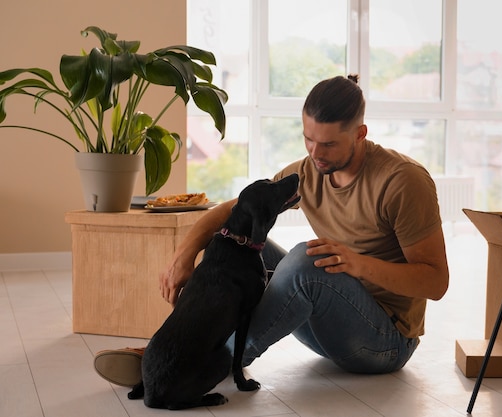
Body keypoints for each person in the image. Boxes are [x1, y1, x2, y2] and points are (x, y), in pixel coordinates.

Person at [93, 74, 449, 387]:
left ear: (360, 134)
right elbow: (233, 211)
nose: (315, 152)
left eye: (328, 144)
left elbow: (436, 283)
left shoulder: (402, 181)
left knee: (304, 261)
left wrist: (357, 264)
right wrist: (183, 256)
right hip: (328, 326)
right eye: (308, 139)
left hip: (385, 342)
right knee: (240, 241)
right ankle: (174, 349)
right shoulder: (310, 170)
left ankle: (201, 366)